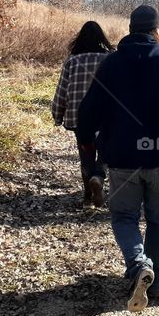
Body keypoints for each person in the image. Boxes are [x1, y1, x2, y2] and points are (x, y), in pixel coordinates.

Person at [78, 5, 159, 312]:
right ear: (156, 31)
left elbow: (87, 113)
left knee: (124, 217)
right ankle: (155, 284)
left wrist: (89, 147)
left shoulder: (111, 64)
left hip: (120, 160)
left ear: (130, 29)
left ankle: (138, 264)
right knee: (158, 220)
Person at [51, 21, 113, 208]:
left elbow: (62, 90)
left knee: (85, 153)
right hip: (106, 117)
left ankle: (87, 197)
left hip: (79, 118)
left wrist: (57, 114)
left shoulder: (72, 61)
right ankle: (99, 176)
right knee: (104, 151)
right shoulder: (109, 59)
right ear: (102, 39)